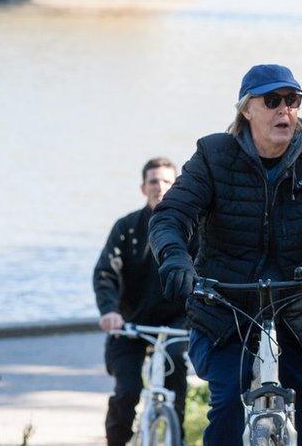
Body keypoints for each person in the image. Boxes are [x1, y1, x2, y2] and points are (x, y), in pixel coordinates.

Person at [148, 64, 302, 445]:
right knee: (228, 410)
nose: (284, 109)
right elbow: (170, 216)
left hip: (296, 308)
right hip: (224, 308)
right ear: (246, 109)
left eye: (292, 100)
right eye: (272, 100)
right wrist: (174, 258)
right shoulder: (213, 155)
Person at [93, 157, 193, 446]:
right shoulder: (126, 228)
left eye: (167, 181)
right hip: (130, 323)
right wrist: (109, 311)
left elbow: (206, 269)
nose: (159, 187)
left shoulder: (192, 227)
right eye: (153, 181)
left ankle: (177, 438)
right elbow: (105, 273)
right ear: (143, 187)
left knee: (176, 371)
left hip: (177, 322)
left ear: (177, 187)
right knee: (128, 390)